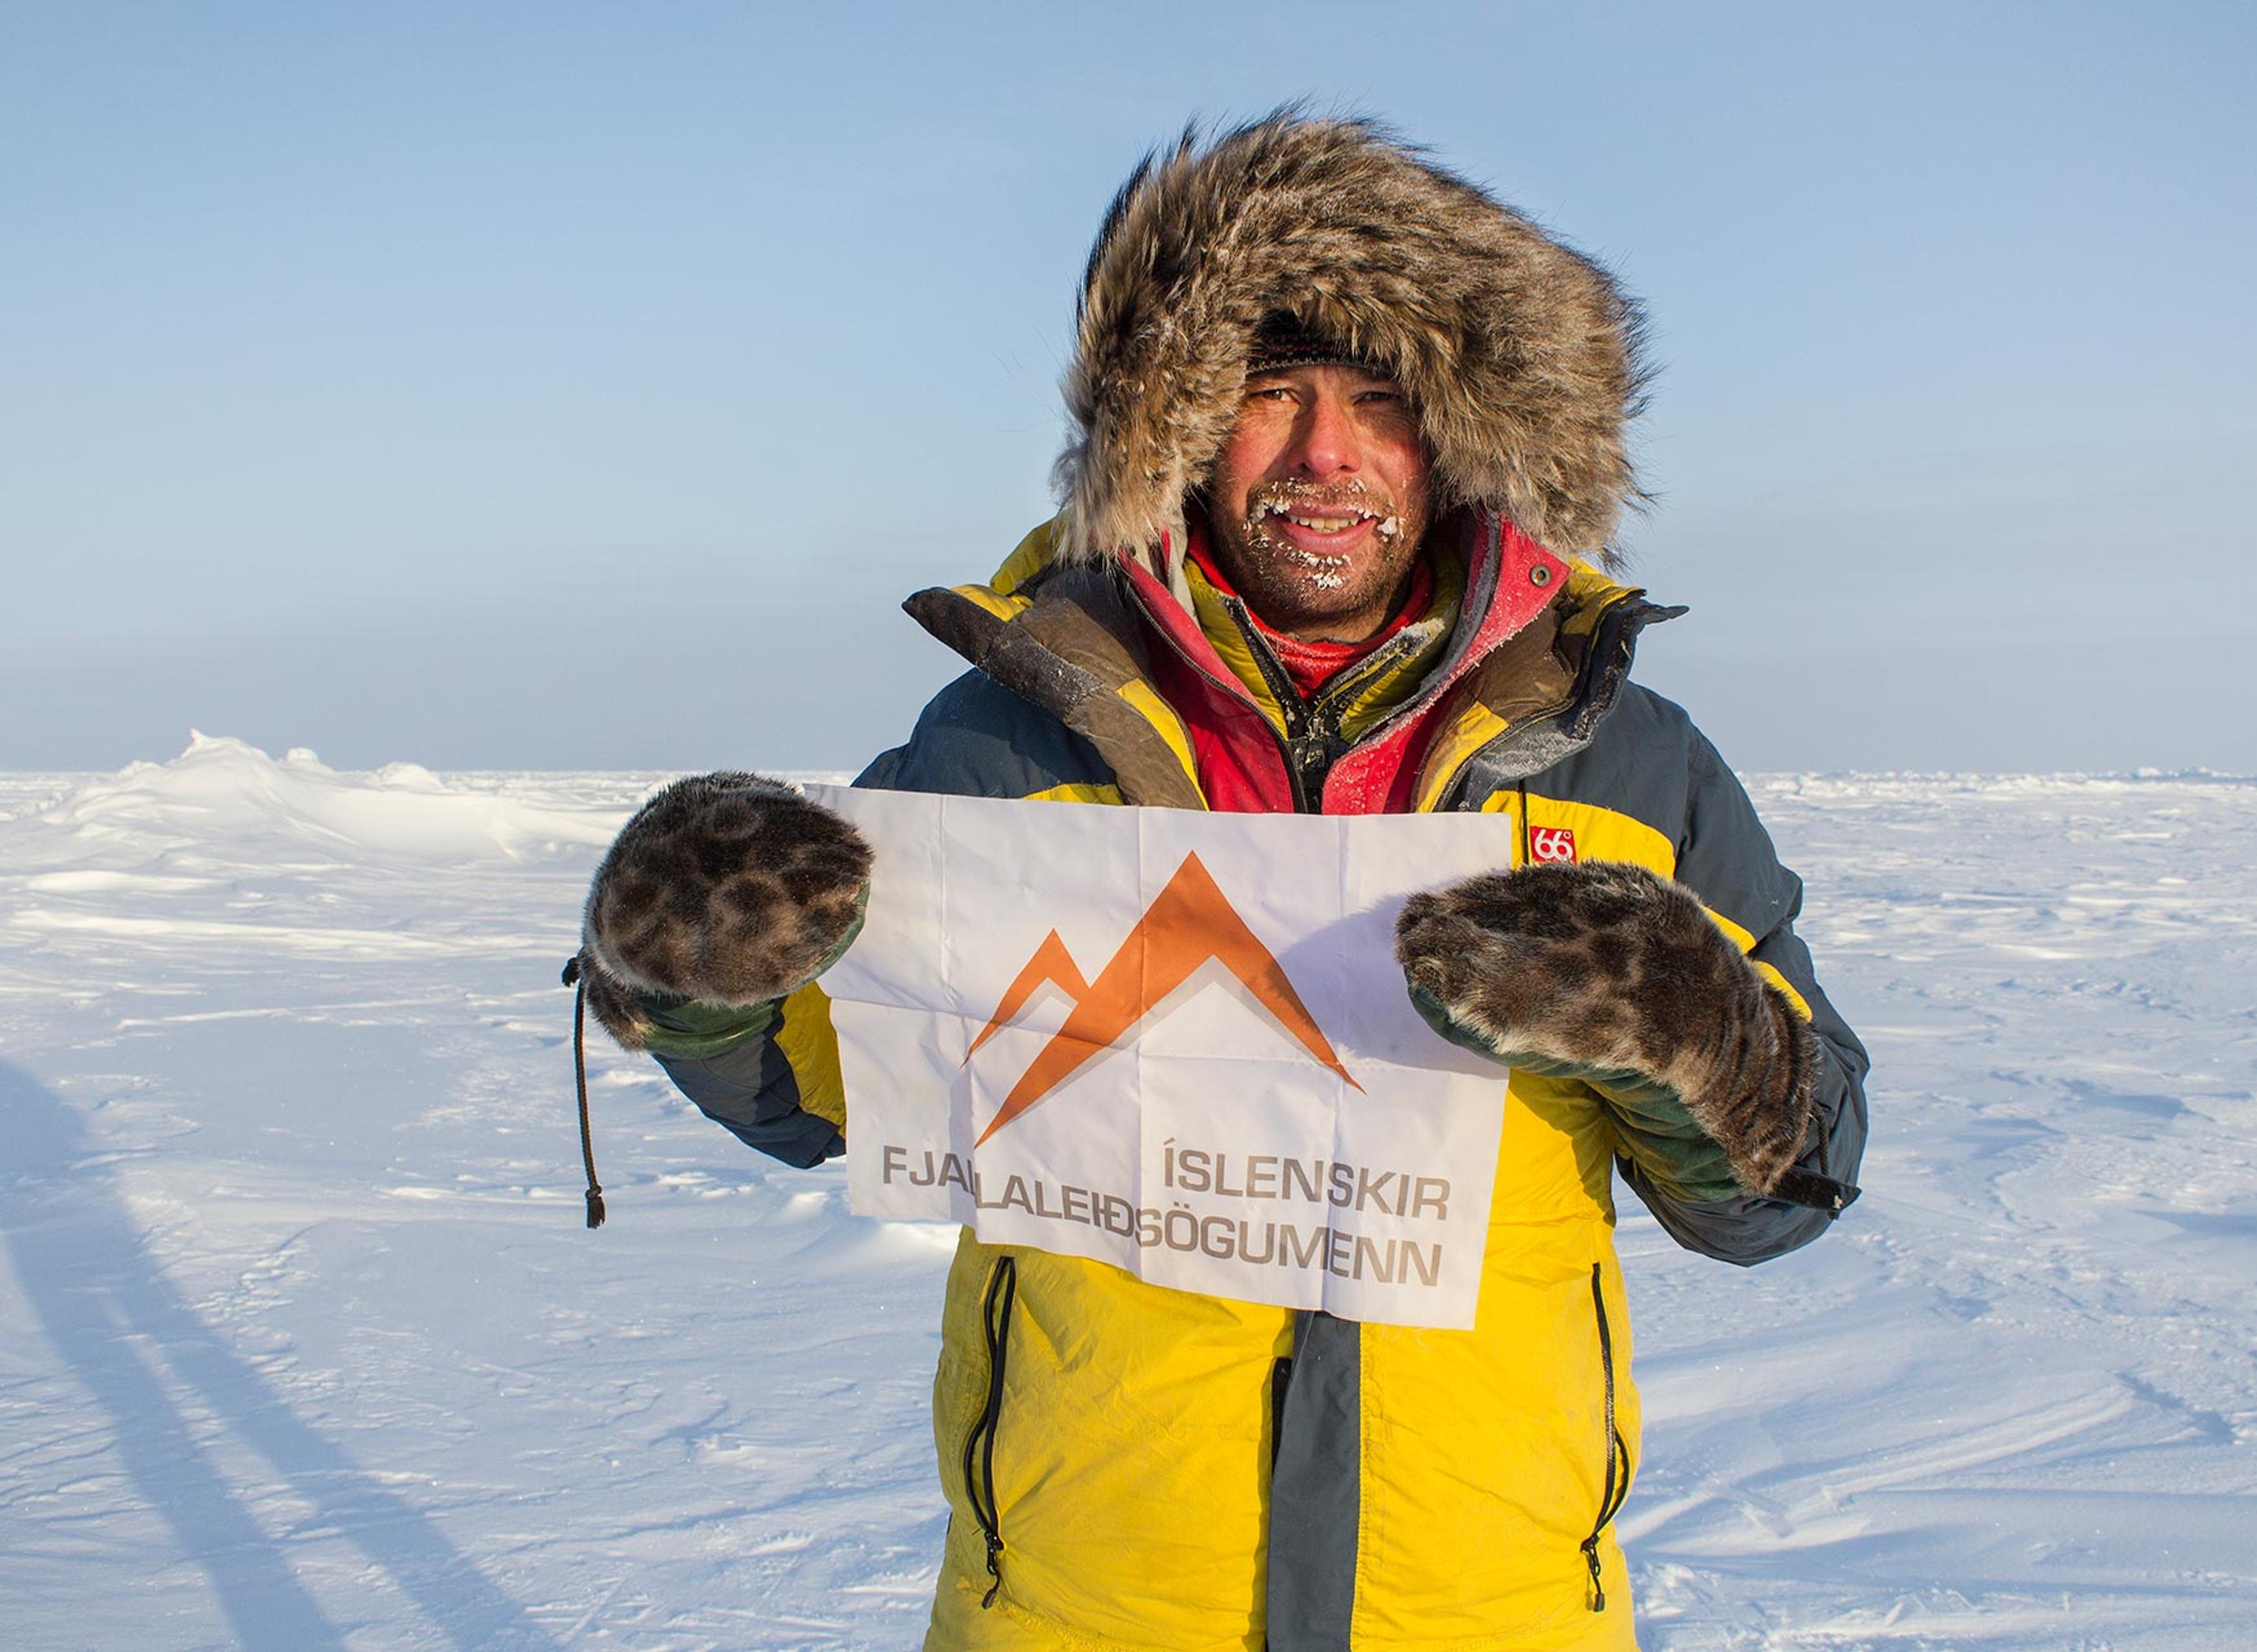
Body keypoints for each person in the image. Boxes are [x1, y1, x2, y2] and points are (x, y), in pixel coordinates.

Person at [576, 112, 1867, 1652]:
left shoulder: (1624, 770)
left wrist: (1703, 1035)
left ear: (1463, 439)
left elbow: (1782, 1192)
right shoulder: (1010, 734)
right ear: (1176, 430)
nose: (1327, 454)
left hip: (1490, 1609)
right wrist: (690, 977)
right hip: (1074, 1604)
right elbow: (831, 1092)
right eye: (1271, 394)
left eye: (1382, 401)